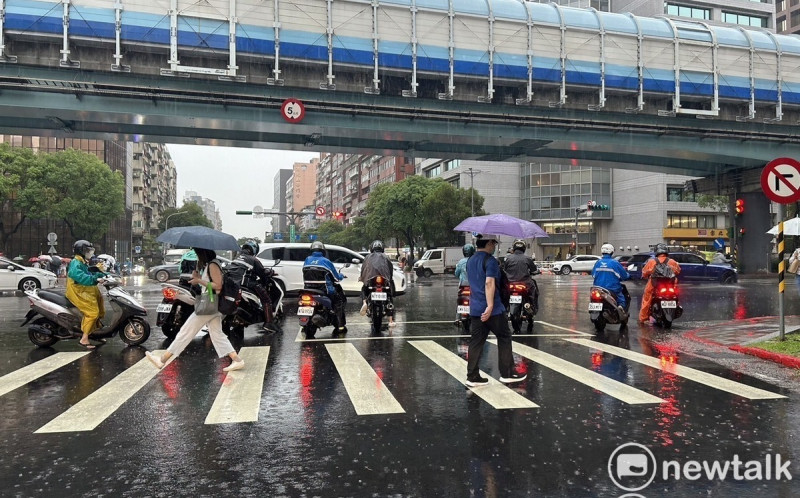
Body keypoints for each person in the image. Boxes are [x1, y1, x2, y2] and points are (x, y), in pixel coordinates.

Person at [146, 247, 245, 372]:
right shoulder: (210, 264)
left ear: (203, 253)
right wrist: (198, 279)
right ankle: (237, 360)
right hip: (213, 305)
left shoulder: (213, 265)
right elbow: (209, 285)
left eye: (198, 254)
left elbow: (218, 286)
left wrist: (199, 280)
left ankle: (162, 360)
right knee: (217, 335)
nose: (197, 257)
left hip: (209, 305)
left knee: (185, 332)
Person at [465, 234, 526, 387]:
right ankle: (507, 373)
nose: (495, 247)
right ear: (490, 243)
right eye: (494, 244)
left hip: (476, 308)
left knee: (476, 342)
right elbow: (489, 283)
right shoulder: (490, 261)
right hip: (493, 309)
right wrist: (490, 305)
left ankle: (472, 376)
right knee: (504, 336)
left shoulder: (470, 260)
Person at [65, 240, 107, 350]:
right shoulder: (76, 263)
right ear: (81, 251)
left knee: (100, 309)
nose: (89, 252)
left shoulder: (83, 262)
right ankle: (84, 338)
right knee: (92, 313)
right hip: (78, 291)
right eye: (87, 250)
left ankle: (94, 333)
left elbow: (89, 272)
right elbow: (80, 276)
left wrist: (102, 274)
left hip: (86, 289)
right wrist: (94, 278)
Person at [231, 240, 277, 332]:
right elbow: (262, 274)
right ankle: (269, 323)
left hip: (233, 284)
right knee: (266, 300)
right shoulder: (253, 260)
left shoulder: (236, 259)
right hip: (247, 284)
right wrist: (266, 279)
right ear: (253, 250)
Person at [303, 241, 348, 332]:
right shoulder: (326, 261)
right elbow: (336, 278)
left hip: (308, 289)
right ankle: (340, 326)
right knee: (338, 302)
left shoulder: (307, 260)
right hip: (324, 290)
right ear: (323, 251)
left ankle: (305, 326)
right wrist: (341, 276)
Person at [639, 243, 682, 324]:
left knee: (647, 298)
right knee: (676, 295)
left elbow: (644, 273)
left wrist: (645, 275)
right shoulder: (672, 262)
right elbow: (678, 271)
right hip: (670, 285)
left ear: (656, 252)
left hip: (654, 285)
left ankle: (643, 318)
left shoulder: (652, 262)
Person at [359, 240, 396, 327]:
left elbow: (363, 269)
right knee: (390, 295)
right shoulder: (386, 257)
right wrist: (389, 279)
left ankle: (364, 303)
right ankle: (390, 320)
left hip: (371, 280)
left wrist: (362, 278)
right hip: (384, 280)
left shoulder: (368, 257)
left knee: (364, 288)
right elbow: (390, 269)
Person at [591, 243, 630, 316]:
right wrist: (628, 275)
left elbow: (593, 275)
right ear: (612, 252)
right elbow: (624, 276)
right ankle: (621, 307)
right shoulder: (615, 263)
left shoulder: (598, 262)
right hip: (612, 289)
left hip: (598, 288)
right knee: (621, 297)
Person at [502, 239, 539, 314]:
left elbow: (504, 269)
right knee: (534, 288)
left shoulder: (508, 258)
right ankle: (533, 306)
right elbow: (534, 270)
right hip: (525, 283)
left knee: (503, 293)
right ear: (524, 248)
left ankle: (505, 307)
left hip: (510, 283)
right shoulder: (527, 259)